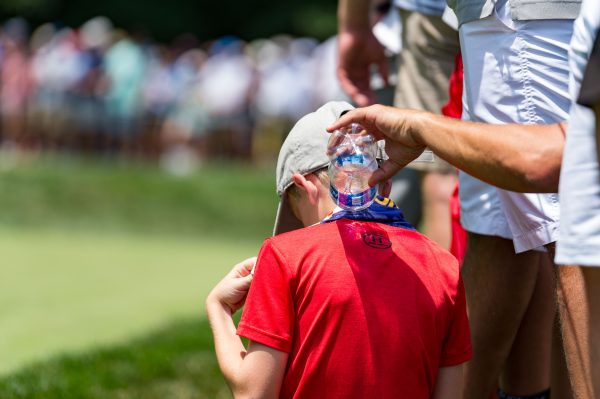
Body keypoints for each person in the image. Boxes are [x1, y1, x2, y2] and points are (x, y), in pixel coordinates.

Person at [327, 1, 600, 392]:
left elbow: (545, 163)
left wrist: (415, 126)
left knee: (571, 232)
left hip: (529, 16)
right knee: (508, 232)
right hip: (508, 20)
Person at [206, 101, 472, 398]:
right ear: (384, 184)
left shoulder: (284, 255)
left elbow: (253, 393)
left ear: (305, 187)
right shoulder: (444, 266)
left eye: (297, 214)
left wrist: (218, 309)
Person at [338, 0, 460, 250]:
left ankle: (450, 290)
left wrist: (354, 26)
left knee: (442, 174)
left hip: (433, 17)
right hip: (521, 20)